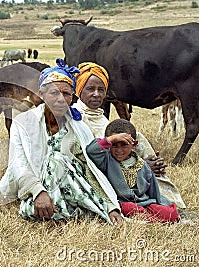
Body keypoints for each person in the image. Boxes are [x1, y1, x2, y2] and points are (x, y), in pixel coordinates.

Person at [0, 58, 124, 225]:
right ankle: (72, 211)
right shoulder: (23, 122)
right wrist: (38, 191)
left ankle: (82, 210)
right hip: (34, 187)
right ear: (41, 95)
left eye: (66, 93)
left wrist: (109, 205)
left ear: (72, 97)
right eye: (54, 92)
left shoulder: (79, 127)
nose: (60, 99)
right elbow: (18, 163)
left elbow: (89, 168)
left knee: (58, 161)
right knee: (54, 162)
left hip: (70, 187)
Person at [72, 62, 187, 210]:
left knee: (137, 140)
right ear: (79, 90)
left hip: (119, 166)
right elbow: (90, 159)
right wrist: (137, 167)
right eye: (90, 89)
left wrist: (143, 164)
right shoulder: (75, 118)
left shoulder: (102, 120)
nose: (96, 94)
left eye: (101, 90)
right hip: (97, 176)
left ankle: (170, 204)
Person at [86, 119, 179, 223]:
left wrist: (160, 206)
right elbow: (91, 150)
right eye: (114, 145)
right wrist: (112, 138)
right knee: (130, 208)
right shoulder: (106, 160)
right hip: (122, 204)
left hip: (145, 203)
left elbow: (153, 190)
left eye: (124, 145)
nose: (119, 150)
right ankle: (152, 220)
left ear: (134, 144)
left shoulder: (142, 165)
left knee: (170, 213)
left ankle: (152, 218)